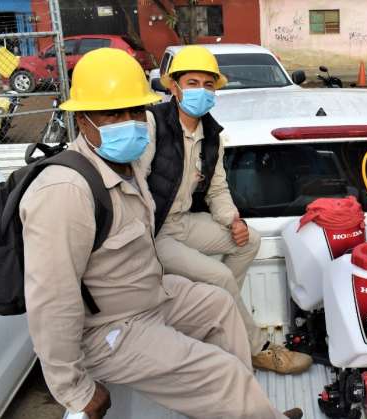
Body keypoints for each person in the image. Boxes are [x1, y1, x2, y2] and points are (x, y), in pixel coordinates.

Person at [21, 48, 302, 419]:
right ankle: (239, 395)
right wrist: (73, 389)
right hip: (110, 329)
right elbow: (51, 302)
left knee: (220, 304)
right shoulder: (65, 191)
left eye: (136, 111)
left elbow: (212, 188)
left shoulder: (127, 163)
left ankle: (245, 406)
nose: (130, 122)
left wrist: (231, 219)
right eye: (112, 113)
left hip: (151, 297)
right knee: (223, 371)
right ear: (81, 120)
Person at [142, 45, 312, 375]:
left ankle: (215, 315)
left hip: (182, 222)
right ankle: (257, 349)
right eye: (193, 83)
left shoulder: (211, 135)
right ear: (174, 87)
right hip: (153, 231)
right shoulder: (152, 126)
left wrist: (232, 220)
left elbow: (217, 186)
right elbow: (134, 185)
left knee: (249, 242)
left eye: (208, 85)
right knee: (220, 277)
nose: (201, 92)